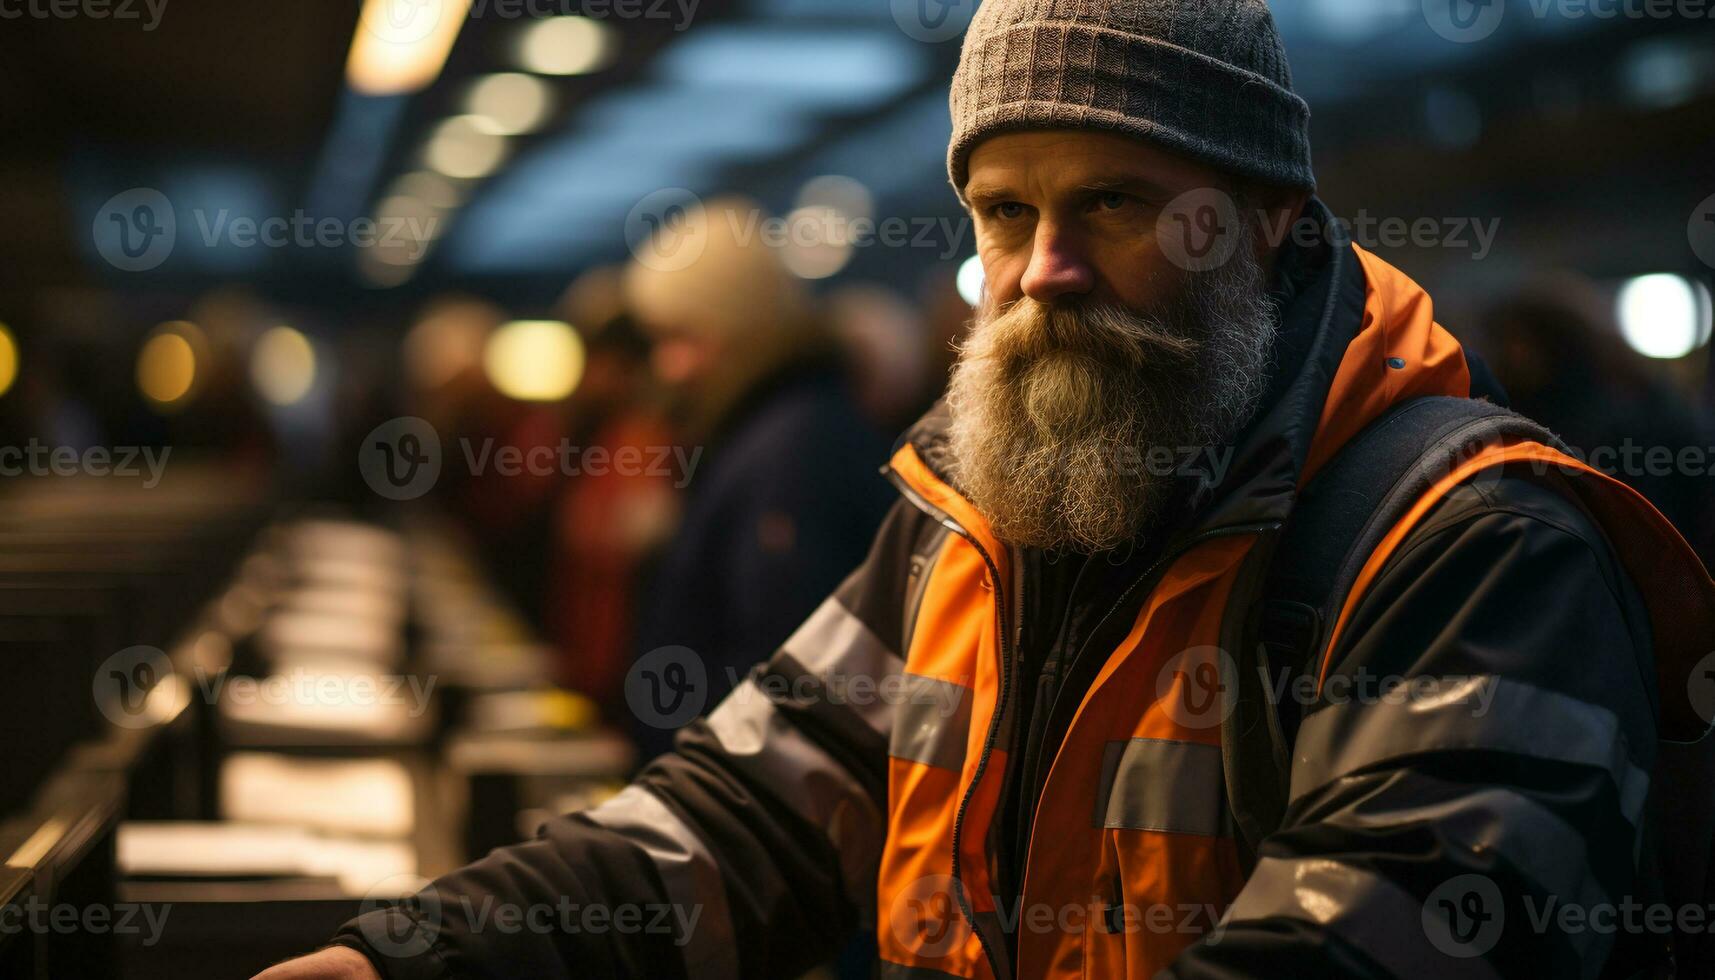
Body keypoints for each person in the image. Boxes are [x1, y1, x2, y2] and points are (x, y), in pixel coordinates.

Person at [259, 2, 1715, 978]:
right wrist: (407, 952)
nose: (1043, 272)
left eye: (1118, 205)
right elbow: (742, 819)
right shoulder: (968, 519)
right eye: (1006, 213)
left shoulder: (1469, 552)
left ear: (1271, 225)